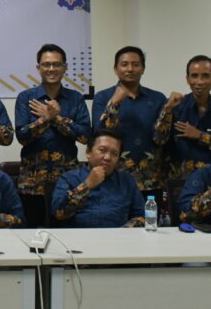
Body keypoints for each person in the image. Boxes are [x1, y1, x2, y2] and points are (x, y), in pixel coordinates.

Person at [14, 44, 91, 226]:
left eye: (56, 64)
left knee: (68, 234)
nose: (51, 69)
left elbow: (86, 136)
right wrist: (46, 118)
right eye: (46, 64)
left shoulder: (75, 98)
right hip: (32, 183)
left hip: (67, 181)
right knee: (32, 234)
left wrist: (56, 118)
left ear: (65, 67)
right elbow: (22, 136)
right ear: (38, 68)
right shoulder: (26, 98)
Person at [92, 46, 167, 197]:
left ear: (143, 69)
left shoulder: (157, 98)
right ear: (115, 69)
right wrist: (114, 103)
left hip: (150, 179)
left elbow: (161, 138)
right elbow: (100, 134)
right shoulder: (102, 97)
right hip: (114, 176)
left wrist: (168, 110)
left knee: (150, 213)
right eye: (124, 64)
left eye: (135, 64)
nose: (130, 69)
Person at [153, 55, 211, 179]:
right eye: (194, 76)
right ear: (187, 79)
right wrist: (167, 110)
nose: (199, 82)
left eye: (205, 76)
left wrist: (199, 135)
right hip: (179, 180)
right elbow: (159, 140)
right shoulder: (175, 106)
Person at [51, 130, 145, 228]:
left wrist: (123, 231)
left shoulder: (127, 181)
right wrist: (87, 185)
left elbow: (142, 216)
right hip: (78, 236)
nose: (107, 157)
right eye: (102, 150)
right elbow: (58, 214)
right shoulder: (69, 178)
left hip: (118, 235)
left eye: (114, 154)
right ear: (88, 152)